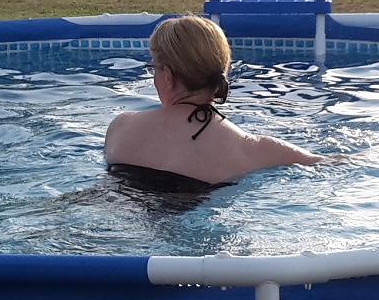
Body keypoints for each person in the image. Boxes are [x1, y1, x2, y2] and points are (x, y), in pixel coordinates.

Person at [103, 15, 320, 191]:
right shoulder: (249, 149)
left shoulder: (121, 128)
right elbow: (328, 164)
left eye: (154, 69)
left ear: (168, 76)